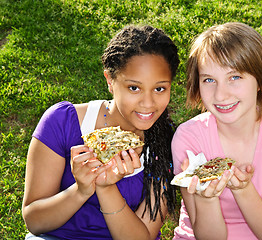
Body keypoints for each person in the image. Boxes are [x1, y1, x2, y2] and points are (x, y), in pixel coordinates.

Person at [22, 25, 180, 240]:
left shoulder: (168, 142)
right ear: (109, 80)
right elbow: (35, 222)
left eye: (160, 88)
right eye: (134, 88)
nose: (148, 103)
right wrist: (81, 190)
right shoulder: (63, 121)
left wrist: (106, 188)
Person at [171, 22, 262, 240]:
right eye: (209, 80)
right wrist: (207, 199)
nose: (220, 95)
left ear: (259, 81)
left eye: (234, 77)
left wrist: (243, 190)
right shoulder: (188, 139)